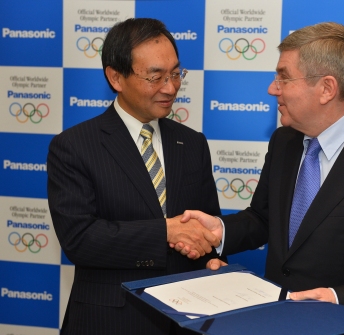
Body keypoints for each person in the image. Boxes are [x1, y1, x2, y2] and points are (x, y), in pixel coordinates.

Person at [177, 22, 344, 335]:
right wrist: (220, 231)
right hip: (279, 325)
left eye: (284, 77)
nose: (272, 88)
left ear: (327, 89)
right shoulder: (284, 141)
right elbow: (265, 219)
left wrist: (337, 298)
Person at [47, 18, 221, 335]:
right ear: (116, 77)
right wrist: (164, 232)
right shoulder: (74, 146)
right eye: (155, 77)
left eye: (175, 74)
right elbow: (79, 240)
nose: (170, 87)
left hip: (188, 317)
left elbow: (206, 224)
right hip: (112, 320)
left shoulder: (192, 142)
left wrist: (211, 257)